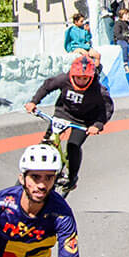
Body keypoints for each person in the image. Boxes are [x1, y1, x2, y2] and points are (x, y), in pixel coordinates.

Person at [21, 51, 115, 195]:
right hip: (63, 113)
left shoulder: (98, 90)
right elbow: (47, 86)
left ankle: (72, 177)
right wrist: (33, 102)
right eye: (78, 78)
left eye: (85, 78)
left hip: (84, 121)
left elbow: (107, 109)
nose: (81, 81)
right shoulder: (64, 79)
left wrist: (97, 125)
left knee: (73, 146)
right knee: (46, 142)